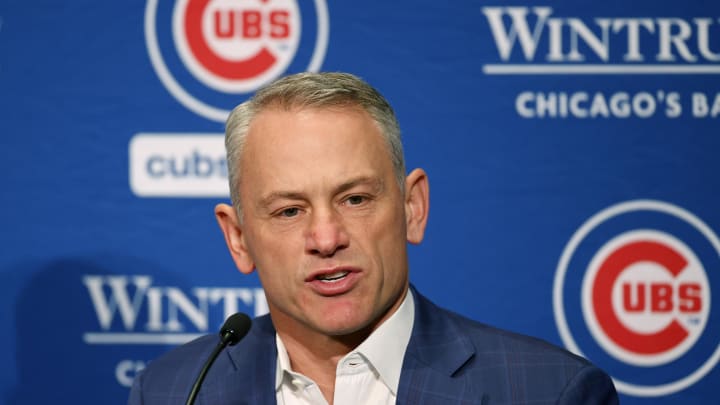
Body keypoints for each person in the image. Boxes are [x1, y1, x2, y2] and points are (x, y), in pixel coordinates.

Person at [128, 72, 618, 404]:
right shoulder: (174, 391)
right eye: (289, 210)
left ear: (413, 207)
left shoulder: (547, 392)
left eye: (354, 199)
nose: (326, 237)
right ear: (238, 239)